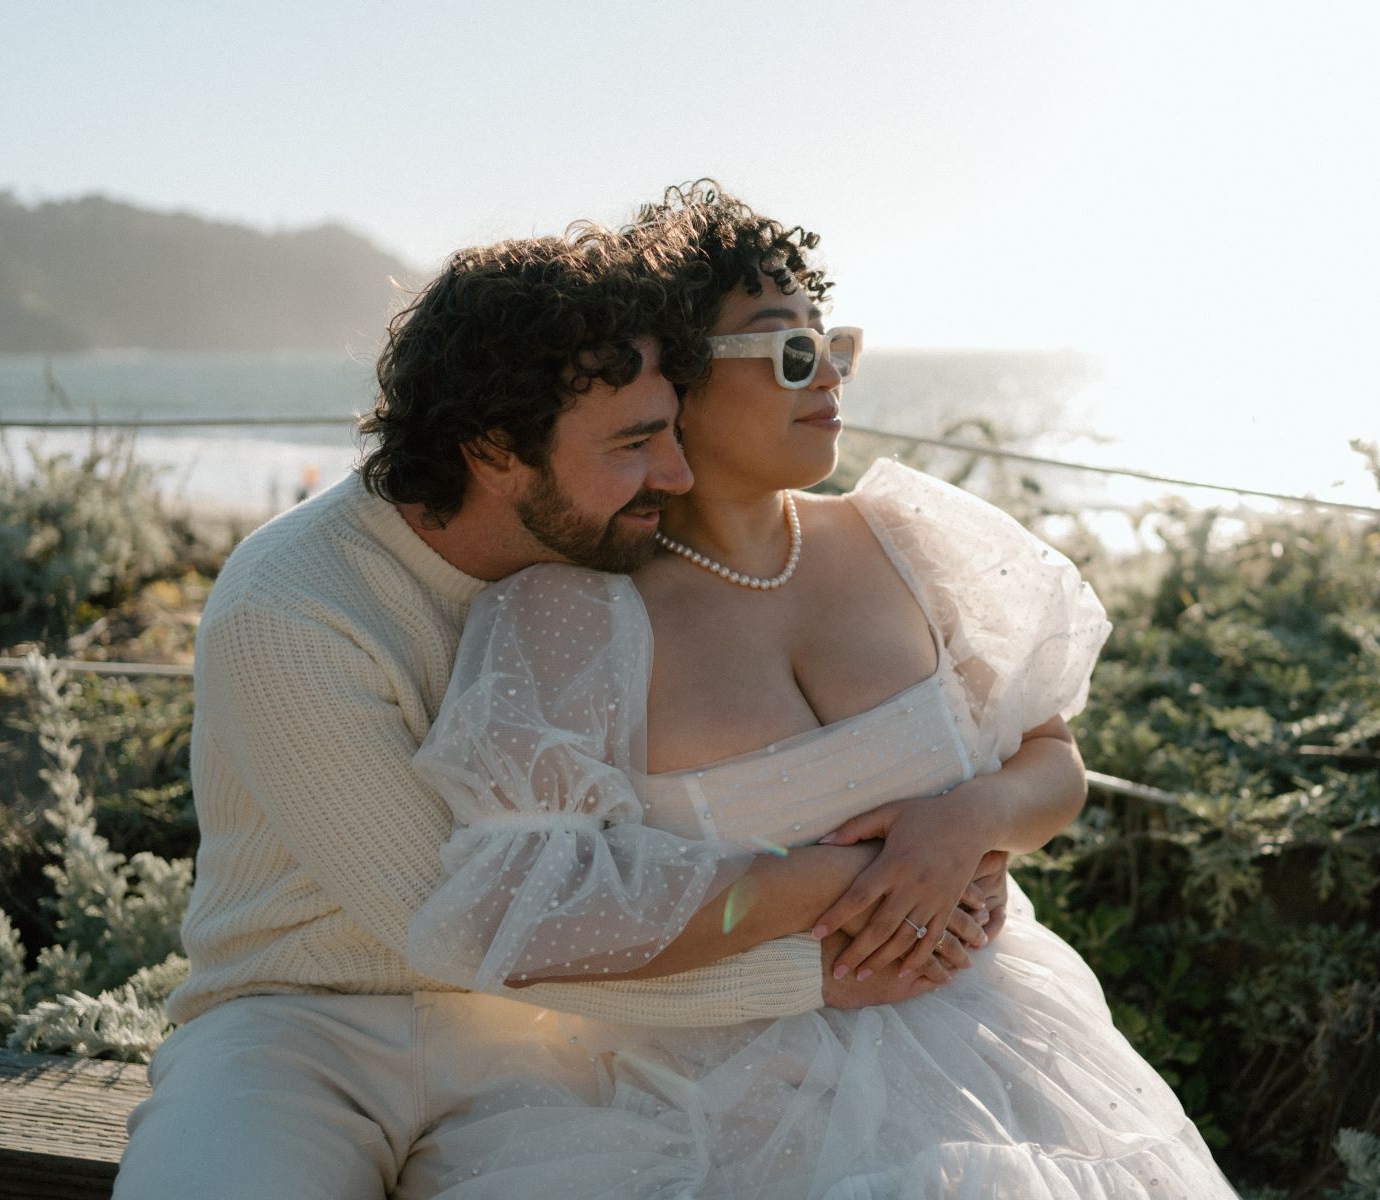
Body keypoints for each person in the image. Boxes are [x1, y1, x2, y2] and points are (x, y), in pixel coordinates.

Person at [113, 220, 1012, 1200]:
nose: (674, 476)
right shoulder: (296, 607)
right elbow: (456, 924)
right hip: (308, 1029)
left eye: (672, 428)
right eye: (636, 444)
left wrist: (957, 828)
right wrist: (821, 963)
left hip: (566, 1036)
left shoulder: (602, 572)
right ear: (497, 451)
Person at [399, 184, 1239, 1197]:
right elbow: (524, 908)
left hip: (1001, 1037)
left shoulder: (909, 539)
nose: (830, 377)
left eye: (833, 343)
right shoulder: (575, 620)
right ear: (677, 389)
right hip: (721, 1091)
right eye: (789, 354)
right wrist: (838, 886)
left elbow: (1054, 764)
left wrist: (967, 818)